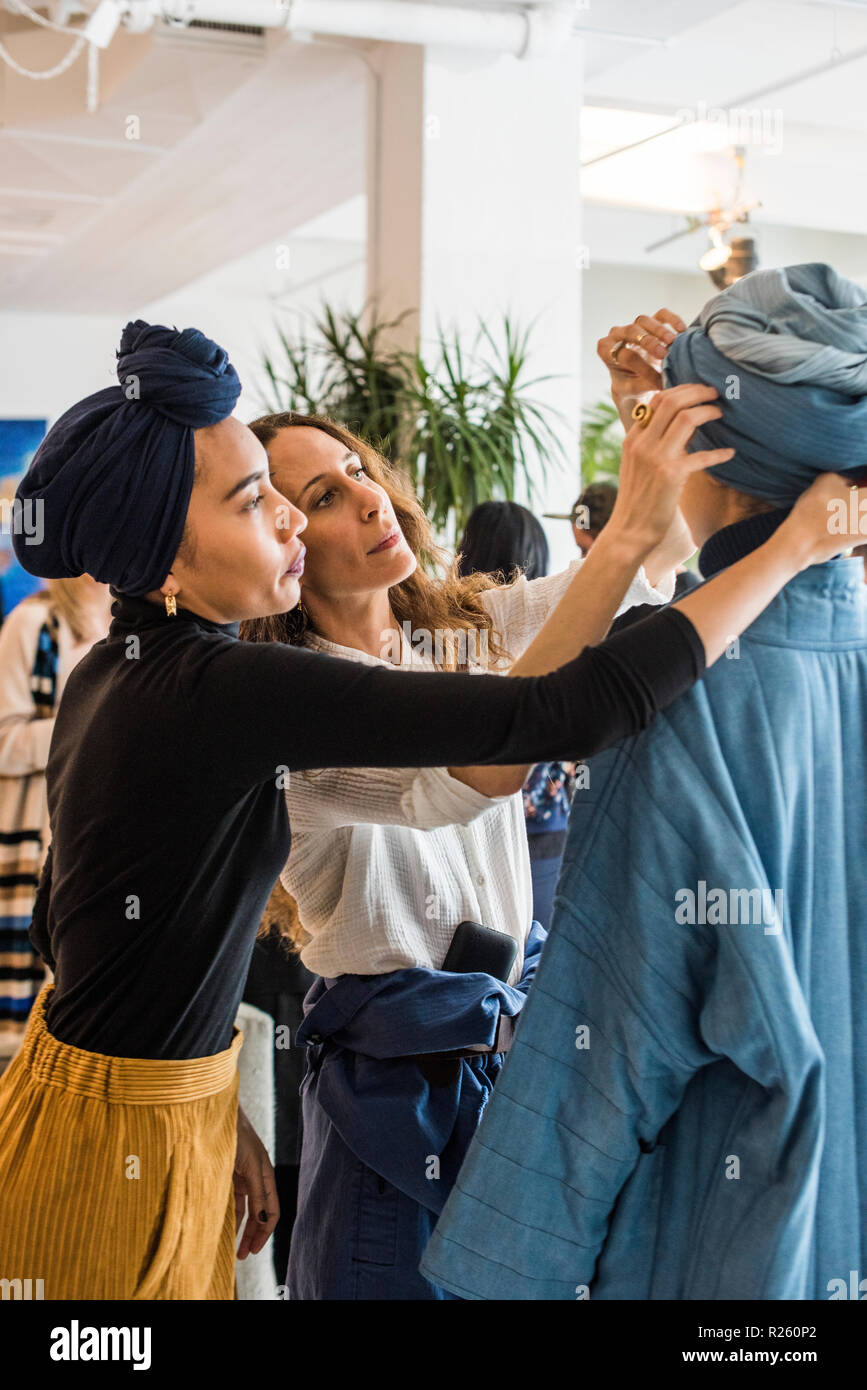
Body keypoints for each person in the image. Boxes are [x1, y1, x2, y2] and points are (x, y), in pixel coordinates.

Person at [0, 318, 752, 1301]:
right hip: (149, 1128)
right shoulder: (235, 688)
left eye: (319, 483)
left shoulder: (123, 669)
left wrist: (205, 1087)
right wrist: (779, 561)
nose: (299, 520)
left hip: (146, 1101)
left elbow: (74, 917)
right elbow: (535, 721)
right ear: (162, 565)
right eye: (261, 498)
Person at [244, 391, 858, 1301]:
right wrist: (792, 545)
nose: (368, 498)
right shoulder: (291, 713)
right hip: (390, 1095)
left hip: (514, 1063)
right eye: (324, 497)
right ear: (285, 541)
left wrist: (649, 418)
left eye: (359, 471)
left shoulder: (465, 635)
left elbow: (642, 570)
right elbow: (475, 766)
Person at [420, 263, 867, 1301]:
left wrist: (503, 1273)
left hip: (727, 1239)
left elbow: (606, 1033)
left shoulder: (678, 702)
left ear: (698, 456)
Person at [0, 576, 111, 1068]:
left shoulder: (142, 620)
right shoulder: (32, 622)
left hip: (107, 829)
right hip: (41, 826)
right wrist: (96, 724)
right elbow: (5, 741)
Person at [457, 498, 576, 931]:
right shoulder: (563, 628)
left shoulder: (445, 633)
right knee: (530, 962)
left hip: (468, 825)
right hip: (546, 824)